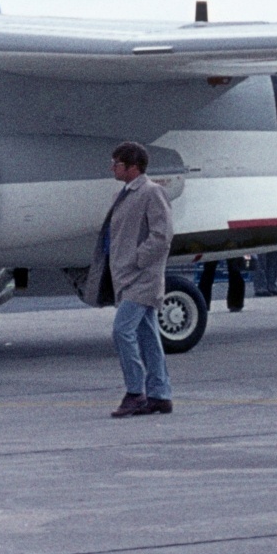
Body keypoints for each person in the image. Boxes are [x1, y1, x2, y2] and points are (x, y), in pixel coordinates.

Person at [84, 141, 175, 418]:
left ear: (134, 167)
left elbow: (162, 235)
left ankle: (135, 392)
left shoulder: (151, 192)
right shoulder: (122, 194)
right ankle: (160, 394)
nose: (113, 167)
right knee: (147, 335)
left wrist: (137, 260)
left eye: (118, 164)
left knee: (122, 331)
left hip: (142, 278)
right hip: (126, 275)